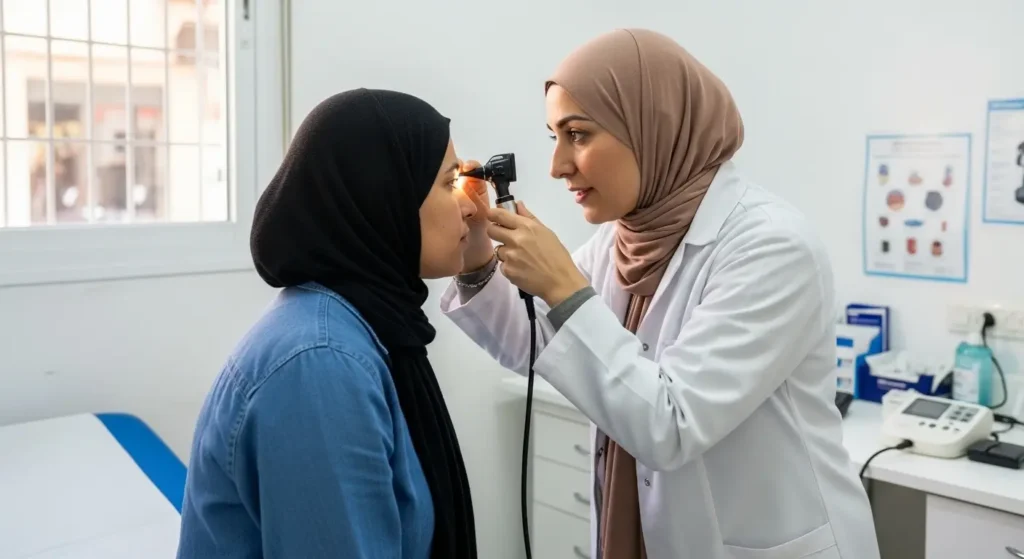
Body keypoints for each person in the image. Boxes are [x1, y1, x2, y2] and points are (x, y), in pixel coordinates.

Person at [445, 29, 880, 559]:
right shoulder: (622, 241)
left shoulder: (772, 247)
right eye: (554, 137)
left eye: (577, 134)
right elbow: (537, 343)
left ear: (652, 126)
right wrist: (477, 257)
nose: (557, 166)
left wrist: (561, 284)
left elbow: (671, 424)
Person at [177, 88, 479, 559]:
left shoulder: (362, 326)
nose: (469, 206)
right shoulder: (320, 364)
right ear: (385, 197)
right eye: (448, 183)